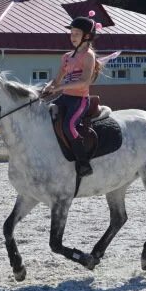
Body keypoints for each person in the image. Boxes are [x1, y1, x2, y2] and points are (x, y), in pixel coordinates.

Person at [42, 16, 101, 177]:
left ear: (86, 36)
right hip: (65, 98)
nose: (72, 36)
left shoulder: (88, 56)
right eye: (71, 33)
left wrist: (59, 87)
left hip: (79, 100)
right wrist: (49, 86)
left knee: (69, 126)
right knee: (43, 115)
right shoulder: (66, 56)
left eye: (76, 33)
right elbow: (57, 79)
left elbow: (84, 82)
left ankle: (83, 163)